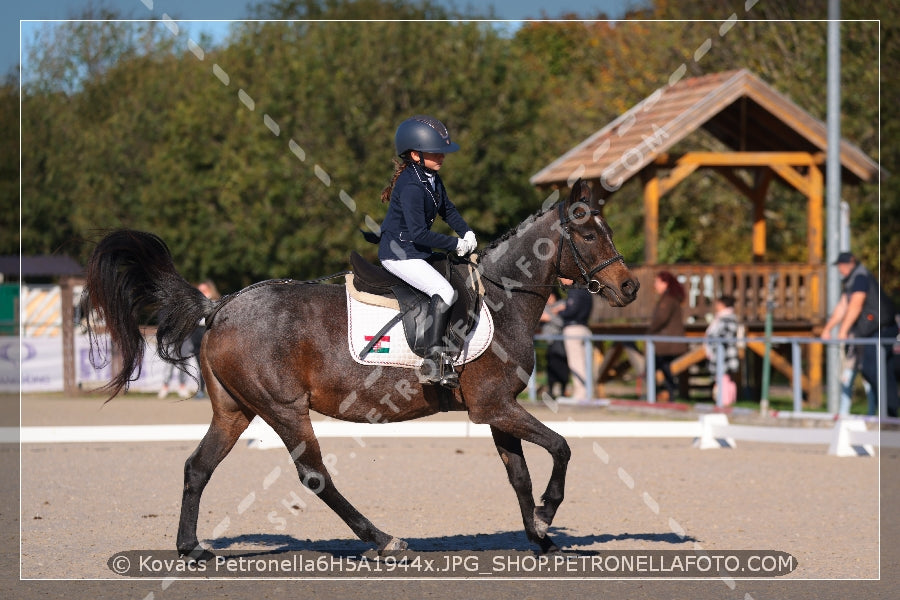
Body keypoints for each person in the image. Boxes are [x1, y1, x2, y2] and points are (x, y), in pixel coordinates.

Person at [374, 115, 476, 389]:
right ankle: (432, 362)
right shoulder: (410, 185)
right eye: (435, 151)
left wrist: (466, 231)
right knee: (444, 292)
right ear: (415, 154)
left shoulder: (431, 178)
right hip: (399, 254)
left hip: (415, 250)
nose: (442, 156)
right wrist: (455, 244)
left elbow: (448, 210)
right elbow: (419, 233)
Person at [822, 252, 899, 416]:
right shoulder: (851, 282)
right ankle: (886, 412)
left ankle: (889, 412)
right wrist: (827, 329)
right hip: (871, 331)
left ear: (851, 263)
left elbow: (856, 305)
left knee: (873, 369)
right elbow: (842, 306)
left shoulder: (860, 277)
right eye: (839, 266)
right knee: (875, 370)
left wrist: (843, 331)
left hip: (882, 329)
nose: (840, 269)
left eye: (842, 265)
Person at [647, 271, 688, 402]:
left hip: (667, 344)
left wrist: (649, 331)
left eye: (657, 282)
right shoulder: (670, 298)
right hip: (667, 342)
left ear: (666, 283)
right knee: (662, 368)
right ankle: (666, 393)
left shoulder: (668, 300)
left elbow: (660, 319)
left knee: (655, 366)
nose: (655, 285)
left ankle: (661, 393)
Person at [556, 278, 594, 402]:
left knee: (576, 363)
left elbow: (571, 311)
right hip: (584, 328)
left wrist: (559, 311)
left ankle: (581, 394)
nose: (560, 280)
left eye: (561, 278)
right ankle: (588, 392)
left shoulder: (574, 290)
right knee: (586, 363)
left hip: (573, 329)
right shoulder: (586, 290)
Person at [704, 294, 741, 407]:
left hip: (725, 354)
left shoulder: (728, 318)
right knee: (721, 378)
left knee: (725, 378)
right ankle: (723, 401)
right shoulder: (720, 318)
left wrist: (711, 342)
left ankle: (725, 401)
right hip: (717, 353)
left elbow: (723, 336)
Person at [539, 289, 570, 398]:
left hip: (560, 340)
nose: (549, 300)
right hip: (549, 342)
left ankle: (563, 390)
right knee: (550, 366)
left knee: (561, 365)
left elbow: (562, 323)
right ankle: (551, 390)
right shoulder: (545, 307)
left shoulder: (562, 305)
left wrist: (549, 317)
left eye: (550, 297)